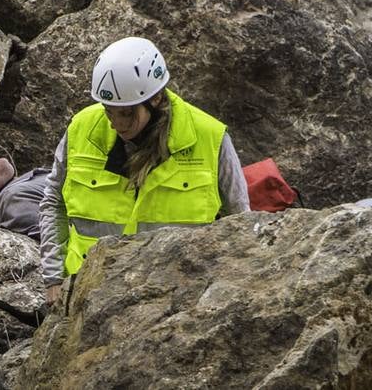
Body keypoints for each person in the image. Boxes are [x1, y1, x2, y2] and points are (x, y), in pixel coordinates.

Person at [38, 37, 250, 305]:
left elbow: (240, 221)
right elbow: (53, 203)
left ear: (156, 98)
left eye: (126, 113)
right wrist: (53, 280)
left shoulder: (210, 138)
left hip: (176, 301)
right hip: (87, 295)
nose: (116, 123)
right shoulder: (82, 129)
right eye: (108, 111)